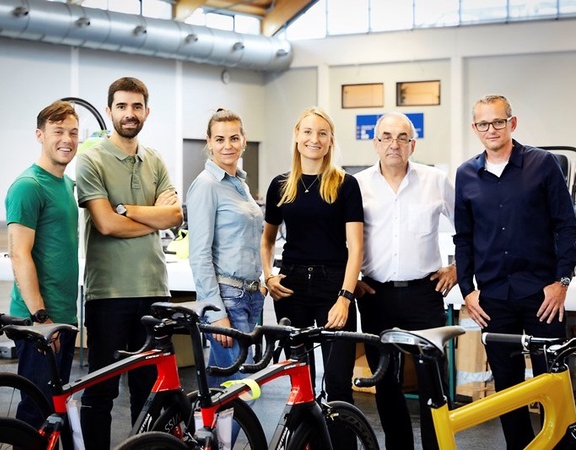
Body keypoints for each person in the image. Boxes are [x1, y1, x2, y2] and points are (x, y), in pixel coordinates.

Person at [454, 94, 576, 450]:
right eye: (483, 123)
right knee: (507, 389)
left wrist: (562, 283)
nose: (490, 129)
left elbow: (566, 227)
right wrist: (467, 289)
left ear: (513, 123)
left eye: (498, 121)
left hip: (543, 296)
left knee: (552, 381)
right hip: (494, 298)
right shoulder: (466, 174)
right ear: (474, 128)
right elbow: (463, 238)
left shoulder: (542, 164)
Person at [75, 77, 184, 449]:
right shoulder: (90, 160)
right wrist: (152, 215)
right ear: (109, 112)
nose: (129, 113)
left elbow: (174, 217)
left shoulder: (154, 159)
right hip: (109, 293)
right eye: (121, 106)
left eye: (136, 106)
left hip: (154, 290)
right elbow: (105, 224)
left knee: (149, 391)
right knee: (100, 390)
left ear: (146, 112)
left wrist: (127, 210)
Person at [353, 112, 457, 450]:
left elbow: (468, 229)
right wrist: (350, 279)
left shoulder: (436, 180)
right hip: (374, 295)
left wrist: (457, 269)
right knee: (385, 381)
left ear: (413, 144)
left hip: (424, 294)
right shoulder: (356, 184)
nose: (393, 144)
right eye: (386, 137)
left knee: (432, 381)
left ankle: (434, 446)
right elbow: (343, 238)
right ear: (375, 143)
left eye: (401, 137)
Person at [260, 106, 363, 404]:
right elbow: (267, 240)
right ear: (296, 136)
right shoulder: (280, 185)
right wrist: (268, 275)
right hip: (291, 287)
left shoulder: (345, 184)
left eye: (322, 133)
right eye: (307, 131)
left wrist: (345, 297)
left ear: (331, 140)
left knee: (338, 383)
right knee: (298, 381)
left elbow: (356, 246)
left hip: (334, 286)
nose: (313, 139)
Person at [5, 100, 80, 429]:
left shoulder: (66, 185)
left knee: (53, 414)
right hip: (40, 322)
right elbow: (19, 254)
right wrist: (40, 319)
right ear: (40, 135)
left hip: (63, 318)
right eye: (58, 131)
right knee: (35, 413)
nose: (67, 139)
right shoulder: (28, 186)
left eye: (73, 132)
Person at [187, 108, 266, 388]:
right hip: (227, 299)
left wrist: (262, 283)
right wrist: (216, 312)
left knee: (221, 391)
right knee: (242, 391)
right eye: (219, 139)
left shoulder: (239, 184)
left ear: (244, 140)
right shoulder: (206, 185)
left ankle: (204, 432)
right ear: (208, 141)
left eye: (234, 138)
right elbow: (199, 254)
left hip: (250, 296)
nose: (227, 145)